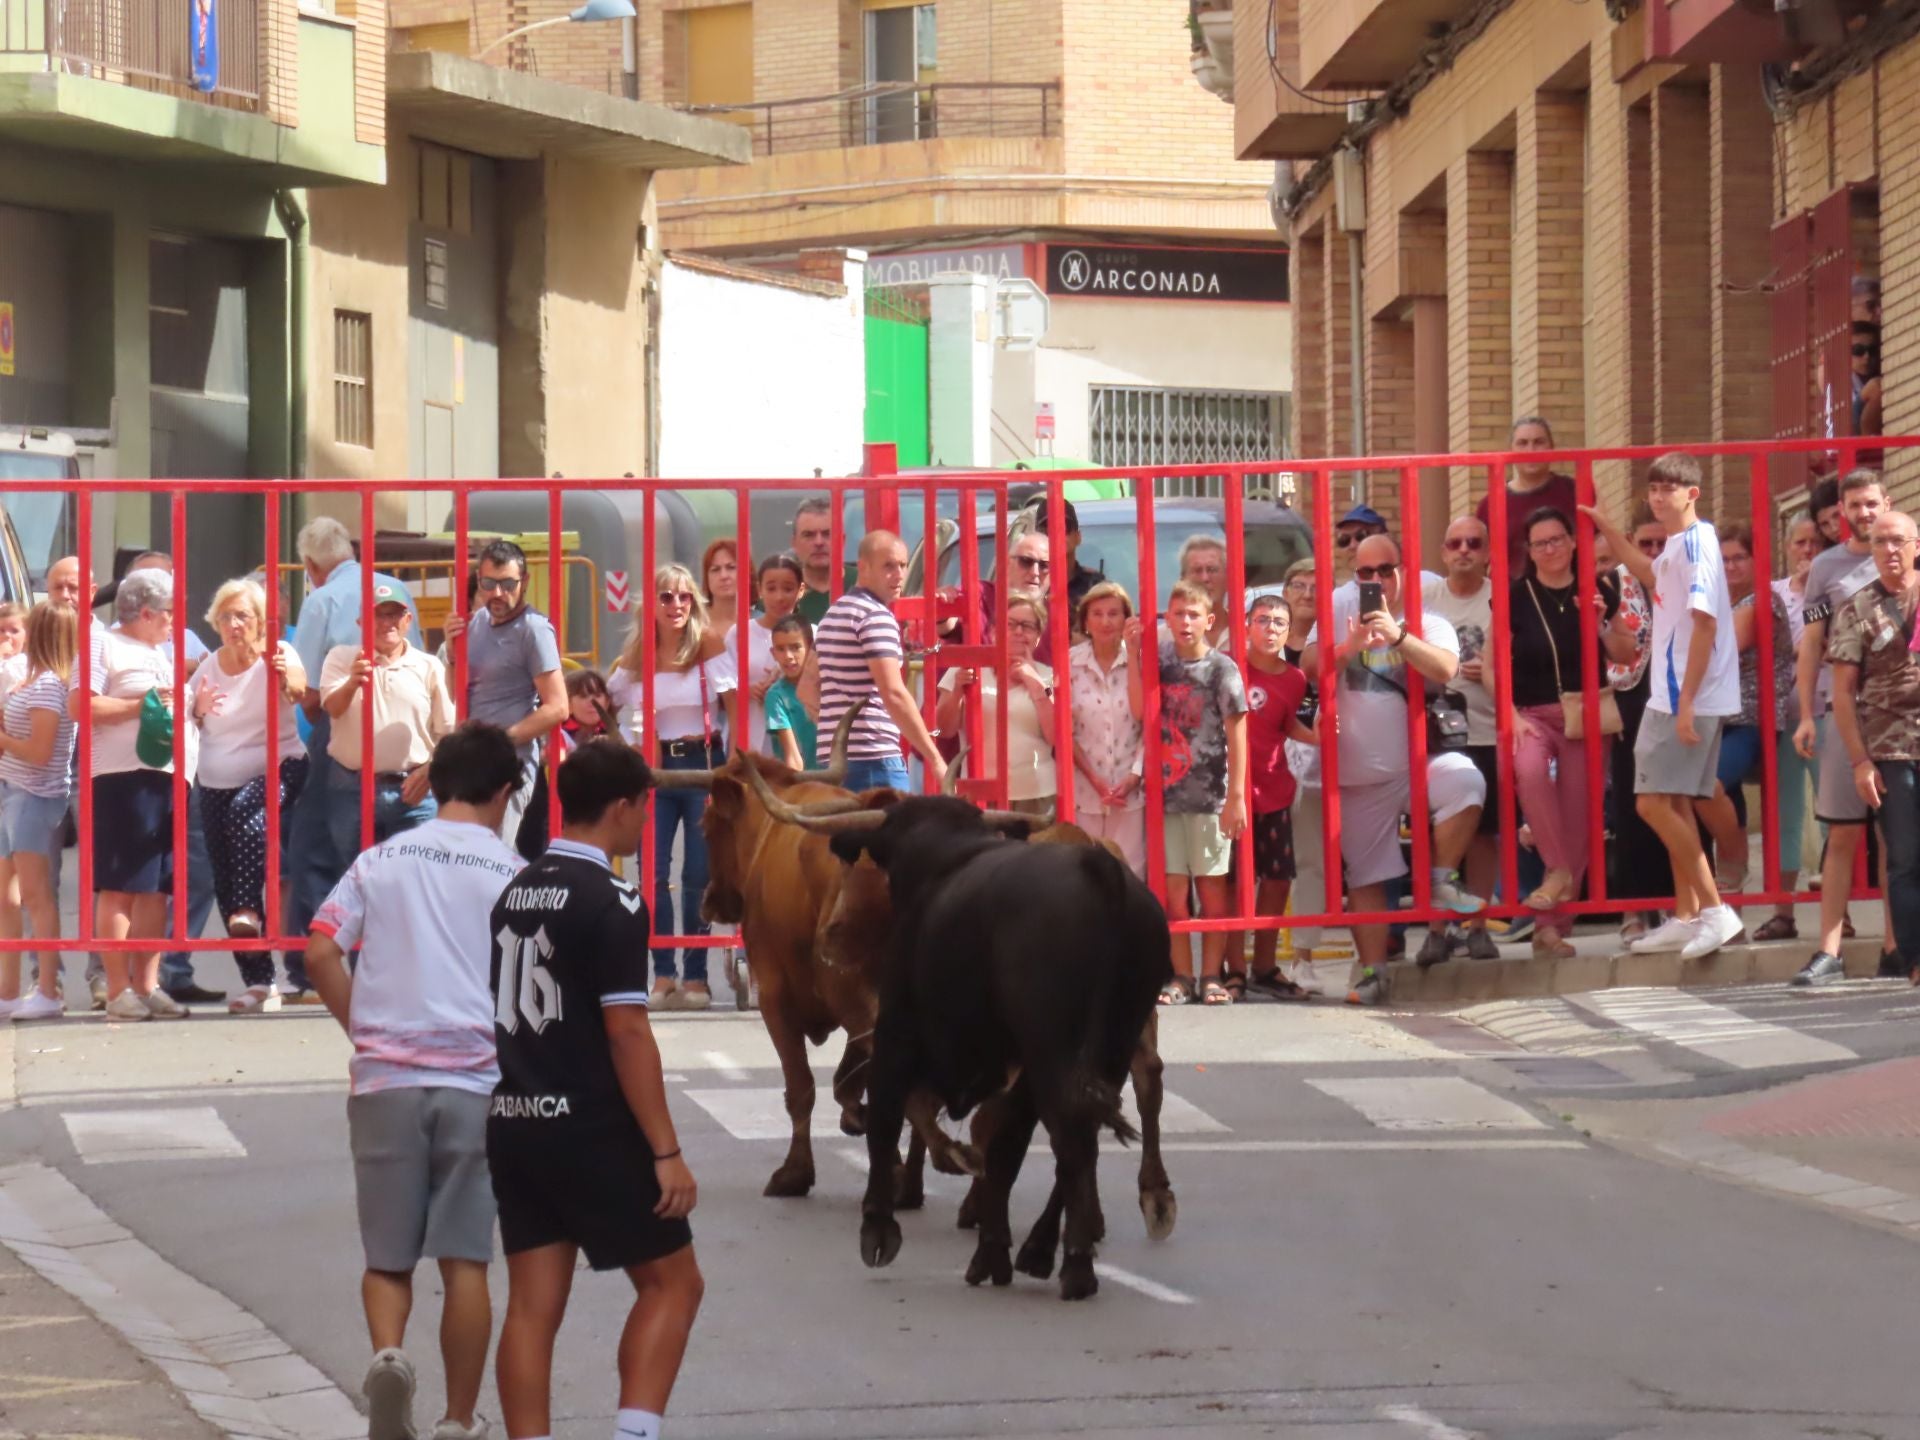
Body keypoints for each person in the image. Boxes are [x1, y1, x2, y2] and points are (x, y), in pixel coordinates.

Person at [305, 723, 526, 1440]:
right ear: (502, 792)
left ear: (434, 783)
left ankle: (389, 1356)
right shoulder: (513, 874)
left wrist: (365, 1028)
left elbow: (318, 950)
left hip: (386, 1081)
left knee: (387, 1256)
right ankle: (460, 1420)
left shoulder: (381, 860)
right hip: (476, 1081)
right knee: (466, 1259)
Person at [488, 739, 701, 1440]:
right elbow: (627, 1031)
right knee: (674, 1284)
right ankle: (634, 1434)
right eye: (642, 809)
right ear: (623, 806)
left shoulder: (516, 888)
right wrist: (665, 1149)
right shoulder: (613, 898)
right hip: (590, 1119)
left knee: (531, 1307)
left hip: (517, 1112)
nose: (643, 822)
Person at [1298, 534, 1489, 1006]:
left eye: (1386, 570)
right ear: (1355, 576)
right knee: (1367, 873)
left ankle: (1442, 880)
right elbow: (1305, 666)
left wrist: (1399, 636)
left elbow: (1446, 668)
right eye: (1367, 573)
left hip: (1420, 763)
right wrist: (1349, 646)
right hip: (1361, 772)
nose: (1377, 580)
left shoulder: (1429, 621)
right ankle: (1371, 972)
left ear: (1404, 572)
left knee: (1467, 783)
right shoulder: (1341, 615)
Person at [1583, 452, 1744, 961]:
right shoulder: (1679, 543)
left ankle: (1715, 912)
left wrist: (1688, 700)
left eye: (1670, 488)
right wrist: (1604, 522)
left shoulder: (1698, 545)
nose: (1660, 495)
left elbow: (1706, 624)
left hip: (1683, 694)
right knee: (1672, 803)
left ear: (1692, 493)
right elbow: (1651, 577)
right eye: (1654, 488)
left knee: (1652, 803)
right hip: (1673, 693)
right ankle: (1687, 914)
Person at [285, 517, 415, 1003]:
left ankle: (319, 966)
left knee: (314, 849)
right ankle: (389, 968)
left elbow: (308, 690)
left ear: (313, 567)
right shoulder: (397, 589)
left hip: (339, 729)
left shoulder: (320, 600)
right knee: (388, 854)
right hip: (397, 730)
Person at [1505, 508, 1636, 960]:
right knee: (1530, 771)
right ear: (1529, 551)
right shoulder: (1514, 597)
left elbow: (1626, 650)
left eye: (1557, 539)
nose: (1550, 549)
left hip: (1585, 713)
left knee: (1580, 820)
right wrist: (1509, 713)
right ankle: (1556, 869)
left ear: (1572, 542)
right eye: (1540, 543)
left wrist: (1600, 622)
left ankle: (1550, 928)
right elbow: (1493, 664)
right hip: (1534, 715)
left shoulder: (1598, 589)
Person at [609, 564, 736, 1011]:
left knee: (698, 875)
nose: (676, 606)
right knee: (654, 875)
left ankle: (696, 976)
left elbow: (735, 710)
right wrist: (628, 744)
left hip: (703, 765)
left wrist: (736, 767)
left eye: (684, 597)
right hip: (657, 772)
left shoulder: (710, 645)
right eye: (666, 597)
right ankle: (663, 972)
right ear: (653, 605)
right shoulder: (637, 655)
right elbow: (609, 704)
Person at [72, 569, 196, 1021]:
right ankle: (119, 987)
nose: (173, 622)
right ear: (145, 612)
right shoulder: (102, 645)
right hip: (122, 778)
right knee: (121, 885)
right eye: (169, 613)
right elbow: (80, 705)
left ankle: (148, 986)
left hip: (167, 777)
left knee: (156, 891)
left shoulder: (159, 651)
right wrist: (138, 705)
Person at [1791, 469, 1897, 985]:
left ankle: (1897, 948)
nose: (1863, 513)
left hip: (1900, 719)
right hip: (1841, 714)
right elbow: (1812, 643)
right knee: (1842, 835)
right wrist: (1807, 713)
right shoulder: (1825, 567)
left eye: (1870, 503)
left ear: (1887, 502)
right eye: (1853, 505)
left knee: (1897, 837)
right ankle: (1829, 950)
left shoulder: (1906, 554)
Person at [188, 579, 309, 1014]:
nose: (233, 624)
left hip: (280, 765)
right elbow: (192, 717)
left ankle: (248, 908)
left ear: (260, 622)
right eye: (225, 616)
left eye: (242, 616)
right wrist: (197, 707)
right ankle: (259, 982)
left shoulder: (277, 654)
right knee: (222, 873)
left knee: (247, 812)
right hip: (216, 780)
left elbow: (298, 687)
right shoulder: (209, 666)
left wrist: (286, 677)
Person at [1145, 578, 1247, 1006]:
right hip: (1165, 797)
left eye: (1193, 615)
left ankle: (1212, 975)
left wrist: (1236, 795)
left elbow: (1237, 728)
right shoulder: (1159, 662)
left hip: (1209, 796)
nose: (1185, 622)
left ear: (1210, 621)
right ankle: (1182, 975)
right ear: (1166, 617)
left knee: (1211, 889)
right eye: (1178, 613)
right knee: (1173, 893)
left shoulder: (1221, 668)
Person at [1830, 511, 1920, 986]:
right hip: (1890, 747)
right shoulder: (1857, 607)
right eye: (1880, 541)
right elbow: (1843, 691)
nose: (1890, 550)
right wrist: (1861, 760)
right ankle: (1914, 958)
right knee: (1904, 857)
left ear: (1916, 545)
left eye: (1898, 540)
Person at [444, 540, 566, 855]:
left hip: (508, 764)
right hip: (471, 762)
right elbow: (457, 694)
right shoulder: (476, 622)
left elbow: (557, 707)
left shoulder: (534, 630)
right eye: (489, 584)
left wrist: (501, 739)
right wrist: (453, 654)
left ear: (523, 582)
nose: (497, 593)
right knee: (466, 857)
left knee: (493, 857)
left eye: (507, 584)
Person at [320, 581, 455, 855]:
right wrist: (352, 683)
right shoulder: (341, 658)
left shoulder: (428, 666)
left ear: (407, 620)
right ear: (361, 622)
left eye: (394, 614)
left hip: (413, 791)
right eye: (379, 615)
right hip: (351, 788)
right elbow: (332, 708)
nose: (387, 623)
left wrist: (429, 772)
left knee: (415, 876)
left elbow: (448, 732)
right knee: (356, 878)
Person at [814, 531, 948, 792]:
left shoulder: (834, 612)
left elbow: (811, 687)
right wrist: (934, 758)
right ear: (863, 567)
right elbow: (893, 692)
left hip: (834, 758)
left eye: (903, 565)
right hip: (873, 756)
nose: (899, 574)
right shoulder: (875, 616)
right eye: (888, 565)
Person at [1425, 515, 1500, 962]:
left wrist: (1493, 670)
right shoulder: (1426, 599)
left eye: (1474, 542)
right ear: (1443, 552)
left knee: (1484, 834)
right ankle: (1438, 927)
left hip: (1490, 728)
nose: (1464, 550)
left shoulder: (1499, 598)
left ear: (1488, 551)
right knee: (1441, 831)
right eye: (1455, 543)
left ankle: (1477, 925)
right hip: (1437, 731)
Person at [1711, 525, 1797, 912]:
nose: (1730, 566)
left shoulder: (1765, 599)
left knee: (1707, 787)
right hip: (1715, 720)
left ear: (1756, 559)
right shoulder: (1719, 601)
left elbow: (1724, 647)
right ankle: (1731, 899)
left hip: (1754, 717)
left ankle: (1738, 873)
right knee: (1725, 801)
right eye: (1723, 559)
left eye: (1738, 558)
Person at [1238, 592, 1316, 999]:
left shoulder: (1294, 678)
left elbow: (1288, 727)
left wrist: (1321, 737)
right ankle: (1229, 968)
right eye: (1263, 620)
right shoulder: (1230, 668)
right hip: (1230, 792)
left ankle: (1264, 966)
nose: (1270, 629)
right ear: (1247, 625)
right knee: (1232, 880)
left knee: (1277, 878)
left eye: (1279, 623)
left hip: (1273, 789)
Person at [0, 603, 76, 1022]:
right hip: (13, 791)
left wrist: (4, 740)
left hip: (33, 795)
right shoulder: (33, 680)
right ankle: (9, 989)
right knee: (7, 896)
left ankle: (47, 989)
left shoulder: (49, 686)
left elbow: (42, 753)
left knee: (36, 896)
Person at [1753, 512, 1825, 941]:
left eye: (1814, 543)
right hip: (1781, 720)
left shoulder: (1834, 588)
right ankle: (1783, 912)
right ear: (1786, 548)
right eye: (1799, 543)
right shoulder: (1773, 594)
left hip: (1828, 714)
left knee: (1836, 816)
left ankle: (1844, 913)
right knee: (1785, 818)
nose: (1807, 550)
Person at [939, 589, 1056, 815]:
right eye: (1010, 624)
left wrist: (1034, 682)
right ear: (993, 631)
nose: (1018, 632)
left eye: (1028, 626)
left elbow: (1057, 737)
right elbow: (944, 729)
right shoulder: (969, 667)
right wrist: (956, 692)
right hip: (979, 793)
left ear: (1038, 636)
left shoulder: (1048, 676)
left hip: (1036, 795)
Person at [1606, 511, 1665, 941]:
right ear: (1629, 541)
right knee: (1631, 804)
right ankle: (1633, 909)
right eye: (1646, 544)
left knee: (1676, 801)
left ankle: (1676, 903)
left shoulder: (1683, 576)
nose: (1654, 553)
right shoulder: (1612, 582)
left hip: (1676, 697)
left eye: (1661, 544)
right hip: (1628, 698)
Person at [1068, 582, 1145, 878]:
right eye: (1097, 613)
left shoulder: (1139, 661)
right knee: (1085, 875)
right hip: (1085, 790)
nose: (1105, 621)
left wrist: (1134, 775)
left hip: (1131, 790)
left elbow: (1145, 719)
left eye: (1114, 613)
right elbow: (1066, 730)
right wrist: (1096, 780)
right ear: (1085, 620)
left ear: (1127, 618)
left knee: (1131, 874)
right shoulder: (1070, 663)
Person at [1477, 417, 1578, 577]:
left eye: (1539, 442)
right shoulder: (1490, 504)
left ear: (1551, 448)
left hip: (1569, 596)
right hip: (1511, 598)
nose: (1531, 449)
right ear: (1511, 451)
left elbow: (1598, 546)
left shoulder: (1575, 491)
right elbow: (1480, 562)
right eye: (1522, 443)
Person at [735, 553, 811, 757]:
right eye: (771, 588)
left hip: (803, 741)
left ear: (801, 590)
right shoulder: (738, 634)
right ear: (759, 589)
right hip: (752, 742)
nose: (779, 597)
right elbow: (720, 693)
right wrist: (748, 690)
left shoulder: (815, 634)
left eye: (788, 588)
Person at [978, 531, 1059, 665]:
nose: (1035, 572)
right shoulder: (980, 595)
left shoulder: (1058, 614)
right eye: (1026, 561)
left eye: (1044, 565)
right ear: (1007, 564)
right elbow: (945, 624)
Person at [1029, 498, 1101, 619]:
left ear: (1078, 537)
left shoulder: (1095, 585)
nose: (1056, 535)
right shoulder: (1029, 582)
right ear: (1037, 537)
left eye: (1064, 528)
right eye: (1047, 530)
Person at [764, 615, 818, 773]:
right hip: (802, 782)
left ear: (810, 648)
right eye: (781, 649)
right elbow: (792, 756)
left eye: (795, 647)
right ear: (773, 653)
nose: (788, 656)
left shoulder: (828, 686)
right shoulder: (776, 696)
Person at [791, 498, 836, 625]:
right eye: (809, 535)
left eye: (827, 534)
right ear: (794, 543)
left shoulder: (865, 586)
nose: (819, 542)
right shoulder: (778, 594)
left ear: (842, 540)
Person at [701, 539, 745, 639]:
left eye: (731, 567)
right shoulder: (692, 622)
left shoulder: (760, 622)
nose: (723, 576)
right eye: (715, 569)